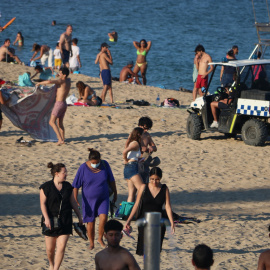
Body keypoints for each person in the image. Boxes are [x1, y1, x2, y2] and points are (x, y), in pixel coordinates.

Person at [39, 162, 83, 270]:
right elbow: (43, 204)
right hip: (50, 220)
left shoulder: (68, 186)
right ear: (56, 173)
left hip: (65, 220)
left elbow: (73, 202)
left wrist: (79, 216)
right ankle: (51, 264)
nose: (66, 174)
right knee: (50, 249)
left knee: (61, 246)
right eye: (64, 172)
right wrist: (46, 218)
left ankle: (56, 268)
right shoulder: (45, 187)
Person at [72, 148, 117, 250]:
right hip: (88, 200)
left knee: (104, 218)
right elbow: (76, 185)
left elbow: (111, 180)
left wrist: (115, 193)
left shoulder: (105, 165)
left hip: (103, 198)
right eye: (93, 163)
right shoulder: (83, 168)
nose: (95, 164)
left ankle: (100, 238)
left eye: (97, 162)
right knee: (90, 222)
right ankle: (91, 242)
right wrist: (75, 199)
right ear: (89, 160)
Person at [125, 167, 175, 256]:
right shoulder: (143, 187)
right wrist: (128, 220)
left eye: (157, 179)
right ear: (149, 177)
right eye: (152, 179)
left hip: (158, 221)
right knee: (144, 248)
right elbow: (136, 204)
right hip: (144, 220)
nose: (154, 182)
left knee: (154, 250)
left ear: (160, 178)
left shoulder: (164, 189)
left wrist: (171, 222)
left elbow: (167, 206)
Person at [36, 67, 71, 145]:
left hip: (59, 104)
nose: (59, 74)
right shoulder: (68, 80)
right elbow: (62, 79)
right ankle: (63, 139)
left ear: (64, 75)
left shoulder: (61, 81)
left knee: (51, 122)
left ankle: (60, 139)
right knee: (60, 123)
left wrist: (39, 83)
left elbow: (49, 81)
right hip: (64, 104)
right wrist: (60, 75)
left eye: (60, 73)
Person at [125, 117, 159, 183]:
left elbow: (155, 147)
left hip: (143, 159)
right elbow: (126, 146)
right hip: (135, 160)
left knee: (155, 161)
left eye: (148, 128)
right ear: (140, 125)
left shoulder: (147, 135)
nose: (146, 130)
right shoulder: (134, 134)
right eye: (145, 128)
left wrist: (152, 148)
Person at [123, 127, 144, 202]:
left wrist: (142, 159)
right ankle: (141, 209)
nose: (143, 136)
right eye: (142, 134)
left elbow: (131, 155)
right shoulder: (136, 144)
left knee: (131, 194)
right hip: (132, 167)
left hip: (128, 167)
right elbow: (124, 152)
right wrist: (125, 160)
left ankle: (128, 213)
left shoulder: (132, 142)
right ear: (139, 134)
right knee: (142, 190)